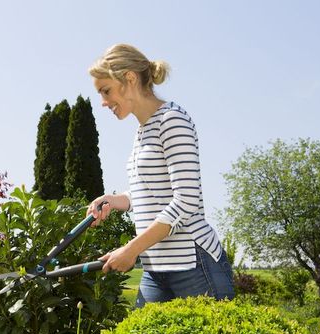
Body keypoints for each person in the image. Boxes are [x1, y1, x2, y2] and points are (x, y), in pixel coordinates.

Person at [86, 43, 235, 306]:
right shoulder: (142, 131)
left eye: (106, 91)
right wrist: (113, 199)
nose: (103, 102)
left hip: (193, 263)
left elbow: (185, 200)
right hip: (156, 265)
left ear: (129, 79)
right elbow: (150, 192)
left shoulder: (172, 120)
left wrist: (131, 250)